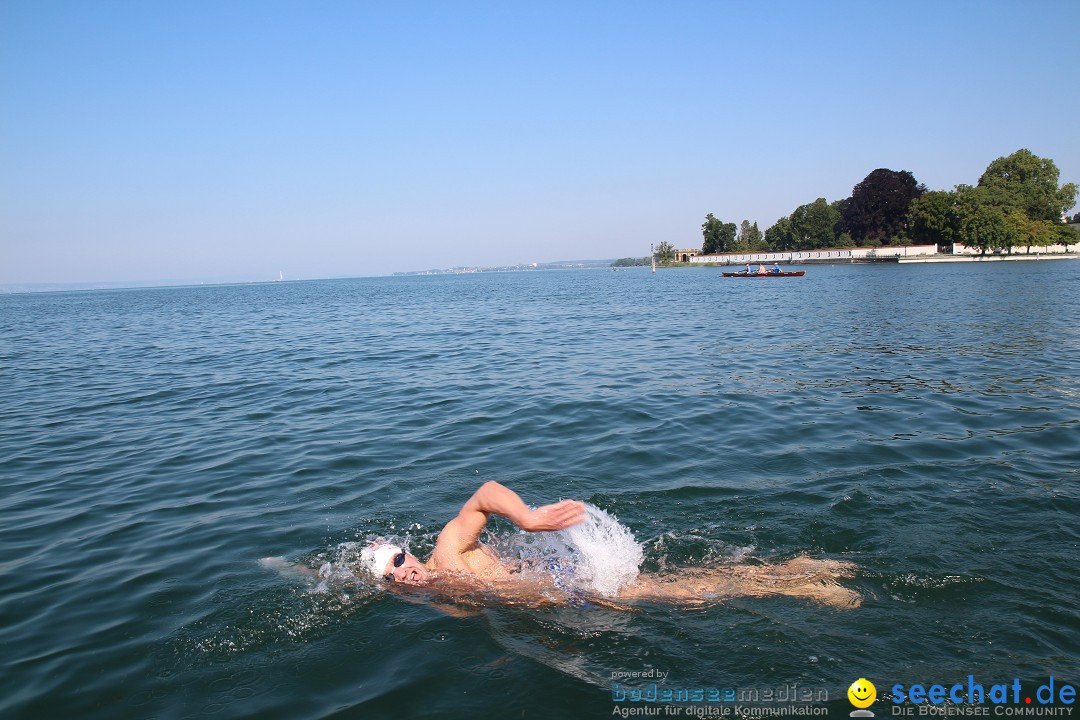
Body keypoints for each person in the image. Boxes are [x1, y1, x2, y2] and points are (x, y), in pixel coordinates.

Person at [356, 481, 861, 608]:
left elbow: (484, 496)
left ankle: (802, 585)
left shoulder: (446, 551)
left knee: (679, 596)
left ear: (410, 551)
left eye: (399, 559)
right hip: (557, 595)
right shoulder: (432, 593)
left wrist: (529, 520)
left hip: (567, 583)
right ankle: (794, 571)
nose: (402, 572)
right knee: (674, 590)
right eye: (390, 575)